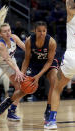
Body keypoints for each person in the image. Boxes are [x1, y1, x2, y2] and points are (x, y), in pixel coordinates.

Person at [0, 5, 26, 121]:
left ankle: (11, 111)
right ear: (0, 34)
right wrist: (18, 71)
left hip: (10, 64)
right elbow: (7, 59)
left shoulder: (14, 37)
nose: (8, 33)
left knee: (20, 88)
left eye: (9, 30)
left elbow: (25, 48)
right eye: (5, 32)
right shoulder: (0, 45)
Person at [44, 0, 75, 129]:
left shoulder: (72, 14)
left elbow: (70, 3)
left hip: (72, 56)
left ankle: (52, 120)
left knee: (57, 88)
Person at [21, 21, 58, 121]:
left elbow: (49, 62)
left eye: (44, 31)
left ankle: (49, 108)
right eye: (39, 31)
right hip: (35, 63)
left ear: (46, 31)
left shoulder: (51, 42)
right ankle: (11, 104)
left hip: (48, 64)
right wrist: (22, 73)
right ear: (34, 31)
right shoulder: (29, 40)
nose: (42, 33)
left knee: (54, 82)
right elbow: (27, 59)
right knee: (24, 87)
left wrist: (38, 76)